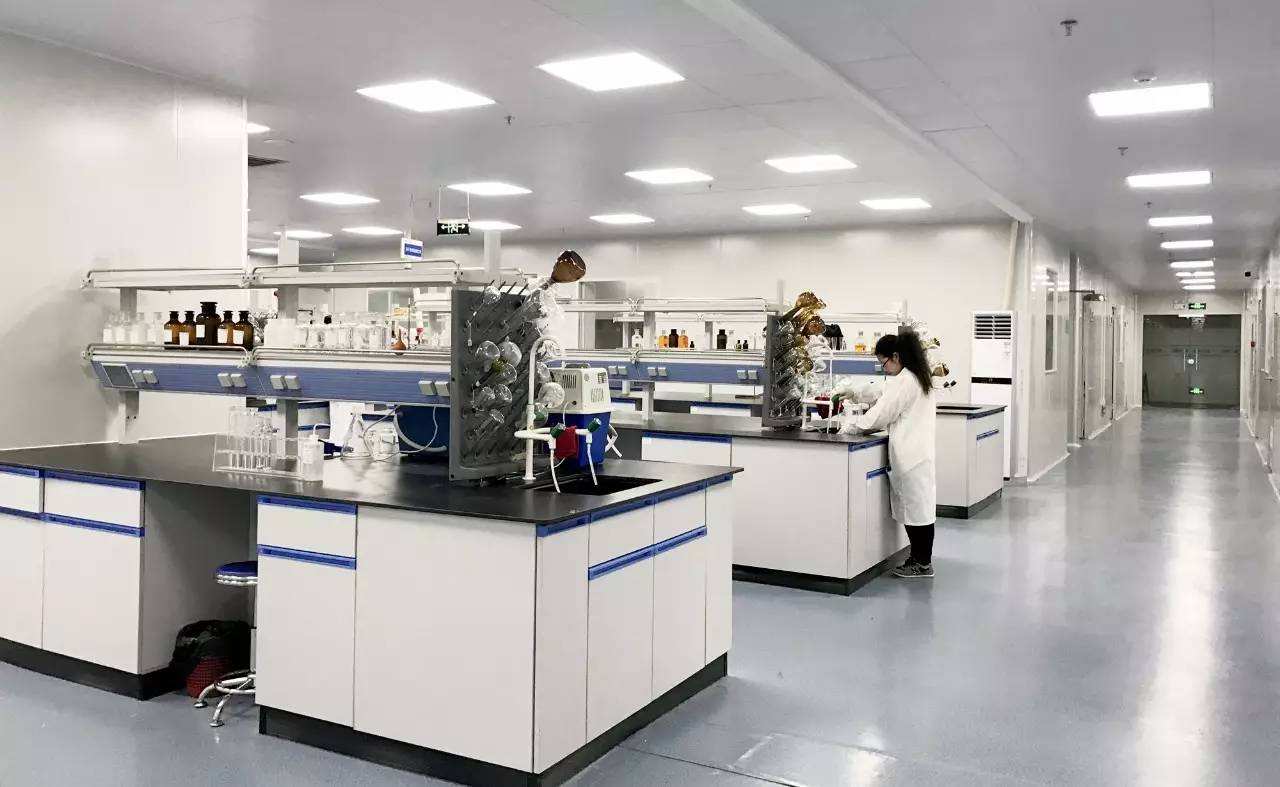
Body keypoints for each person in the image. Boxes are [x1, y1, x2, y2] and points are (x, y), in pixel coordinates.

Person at [852, 331, 937, 578]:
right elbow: (884, 394)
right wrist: (856, 392)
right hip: (918, 453)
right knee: (919, 509)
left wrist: (854, 426)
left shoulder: (907, 381)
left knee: (915, 512)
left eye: (884, 363)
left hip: (910, 455)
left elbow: (882, 413)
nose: (884, 368)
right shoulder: (917, 377)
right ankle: (920, 560)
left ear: (896, 356)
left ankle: (921, 563)